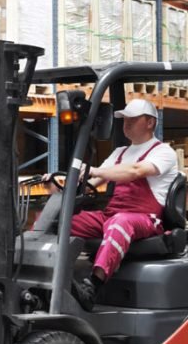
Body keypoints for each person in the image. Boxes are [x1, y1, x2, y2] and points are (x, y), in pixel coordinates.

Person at [50, 99, 178, 311]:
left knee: (119, 222)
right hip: (112, 216)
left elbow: (135, 171)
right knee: (60, 221)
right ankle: (51, 277)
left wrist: (94, 170)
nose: (126, 123)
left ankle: (93, 287)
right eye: (124, 119)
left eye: (133, 119)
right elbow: (91, 182)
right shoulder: (119, 152)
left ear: (150, 123)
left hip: (146, 219)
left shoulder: (163, 152)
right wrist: (59, 183)